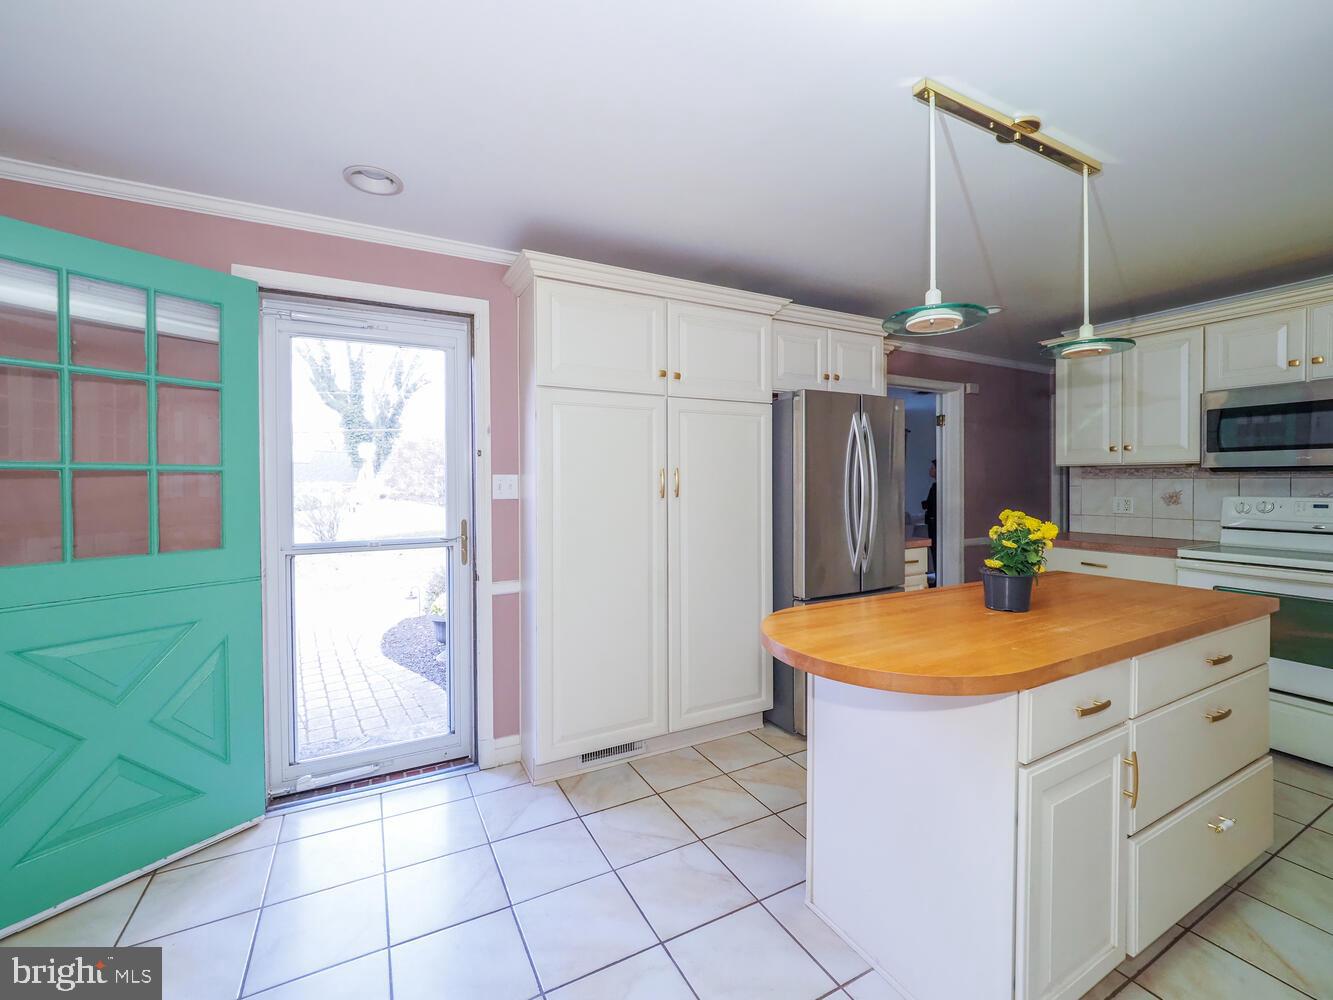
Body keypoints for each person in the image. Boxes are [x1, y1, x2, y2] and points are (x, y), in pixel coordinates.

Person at [922, 459, 937, 586]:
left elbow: (931, 505)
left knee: (935, 551)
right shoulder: (935, 486)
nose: (930, 470)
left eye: (932, 468)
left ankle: (937, 578)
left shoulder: (936, 487)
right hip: (932, 523)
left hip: (934, 524)